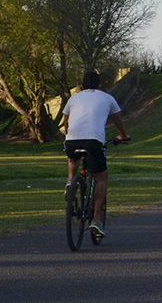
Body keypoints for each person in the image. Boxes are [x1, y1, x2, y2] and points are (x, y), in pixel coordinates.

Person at [62, 71, 130, 238]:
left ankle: (71, 180)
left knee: (73, 156)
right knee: (101, 178)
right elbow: (118, 121)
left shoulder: (73, 98)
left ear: (82, 86)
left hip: (72, 139)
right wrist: (123, 136)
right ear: (100, 86)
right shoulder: (107, 98)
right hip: (93, 141)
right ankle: (96, 220)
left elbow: (66, 122)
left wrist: (69, 135)